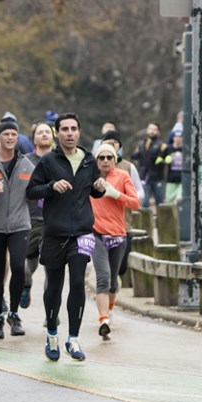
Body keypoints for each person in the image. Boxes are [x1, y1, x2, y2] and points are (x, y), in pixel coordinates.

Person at [30, 113, 100, 361]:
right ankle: (51, 334)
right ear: (57, 134)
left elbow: (92, 189)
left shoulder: (89, 160)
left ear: (79, 132)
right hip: (55, 232)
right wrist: (51, 187)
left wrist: (98, 190)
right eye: (65, 129)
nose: (69, 133)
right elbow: (31, 191)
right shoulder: (48, 161)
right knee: (54, 287)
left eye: (73, 129)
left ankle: (73, 338)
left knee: (78, 282)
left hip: (81, 232)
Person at [0, 122, 36, 339]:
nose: (10, 138)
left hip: (20, 225)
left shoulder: (27, 165)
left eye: (14, 134)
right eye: (6, 134)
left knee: (18, 267)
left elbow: (37, 189)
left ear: (18, 137)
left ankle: (13, 313)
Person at [90, 140, 142, 340]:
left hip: (118, 234)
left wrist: (116, 194)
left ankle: (109, 309)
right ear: (96, 161)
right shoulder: (91, 179)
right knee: (102, 278)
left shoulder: (122, 176)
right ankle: (103, 320)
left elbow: (135, 203)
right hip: (96, 234)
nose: (105, 161)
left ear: (114, 159)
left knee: (113, 281)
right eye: (101, 158)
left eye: (109, 157)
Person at [21, 121, 55, 309]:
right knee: (27, 266)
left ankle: (51, 311)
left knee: (51, 268)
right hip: (30, 217)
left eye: (47, 132)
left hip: (53, 220)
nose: (44, 135)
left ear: (52, 137)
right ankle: (26, 284)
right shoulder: (25, 161)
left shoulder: (60, 159)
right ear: (33, 138)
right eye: (40, 132)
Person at [132, 122, 170, 207]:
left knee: (160, 202)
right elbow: (135, 155)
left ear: (158, 131)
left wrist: (161, 160)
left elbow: (167, 157)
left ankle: (161, 220)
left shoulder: (162, 145)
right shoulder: (142, 144)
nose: (152, 131)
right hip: (145, 177)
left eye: (154, 129)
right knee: (144, 202)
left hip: (157, 177)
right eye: (150, 129)